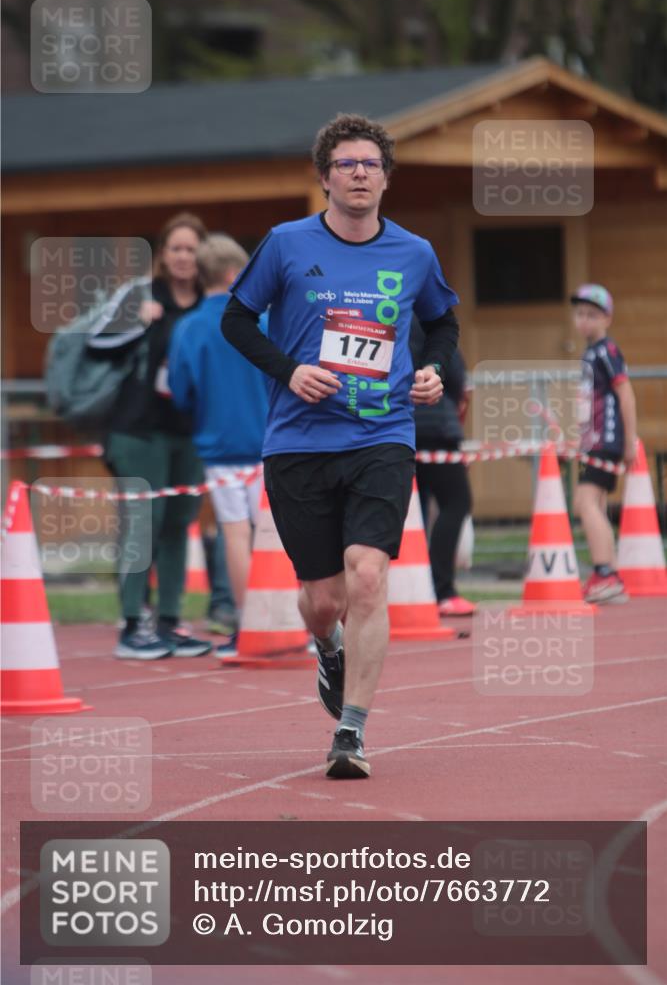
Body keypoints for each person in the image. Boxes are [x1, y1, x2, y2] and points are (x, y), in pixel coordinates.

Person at [222, 113, 459, 779]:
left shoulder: (413, 253)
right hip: (297, 441)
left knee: (367, 575)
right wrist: (289, 370)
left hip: (380, 432)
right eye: (346, 164)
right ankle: (326, 646)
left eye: (370, 164)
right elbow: (235, 319)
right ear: (325, 176)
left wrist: (432, 370)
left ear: (386, 177)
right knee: (322, 596)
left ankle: (350, 733)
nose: (359, 174)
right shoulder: (285, 244)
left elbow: (442, 324)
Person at [88, 212, 213, 659]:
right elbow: (93, 342)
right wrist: (138, 322)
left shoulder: (210, 302)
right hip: (138, 430)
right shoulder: (141, 295)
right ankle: (132, 623)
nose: (184, 257)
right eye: (176, 248)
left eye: (191, 249)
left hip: (189, 431)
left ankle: (170, 621)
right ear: (163, 255)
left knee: (179, 524)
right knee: (145, 526)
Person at [169, 234, 268, 654]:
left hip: (220, 446)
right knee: (275, 535)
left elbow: (180, 391)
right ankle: (286, 621)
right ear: (233, 274)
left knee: (236, 536)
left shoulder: (189, 327)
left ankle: (248, 625)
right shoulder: (262, 322)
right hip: (269, 442)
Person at [571, 283, 637, 604]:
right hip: (592, 440)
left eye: (592, 315)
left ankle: (605, 573)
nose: (584, 320)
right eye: (580, 314)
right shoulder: (590, 354)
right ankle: (607, 574)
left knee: (585, 503)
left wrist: (629, 442)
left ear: (607, 318)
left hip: (606, 440)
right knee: (592, 504)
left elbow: (625, 393)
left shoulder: (606, 351)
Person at [410, 321, 475, 616]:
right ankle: (442, 588)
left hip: (399, 427)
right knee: (457, 501)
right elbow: (457, 377)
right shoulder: (431, 318)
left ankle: (413, 590)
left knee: (414, 510)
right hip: (436, 425)